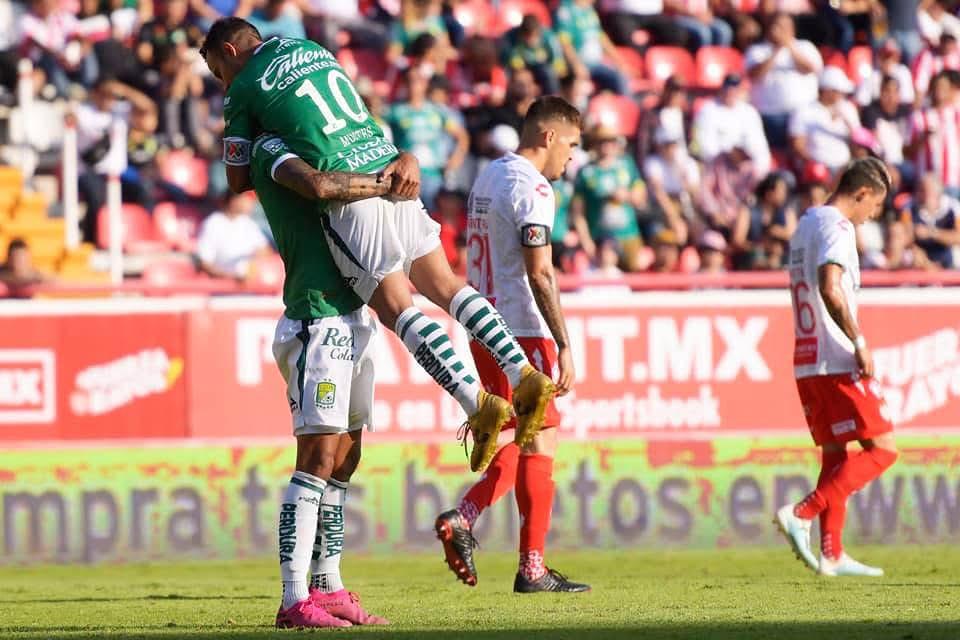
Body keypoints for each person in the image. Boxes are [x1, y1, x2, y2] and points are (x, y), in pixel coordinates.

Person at [200, 19, 558, 475]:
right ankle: (523, 373)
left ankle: (475, 402)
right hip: (390, 170)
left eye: (217, 70)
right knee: (447, 283)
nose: (220, 80)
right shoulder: (313, 48)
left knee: (394, 306)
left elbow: (236, 178)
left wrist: (260, 136)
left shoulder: (244, 85)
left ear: (230, 50)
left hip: (352, 193)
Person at [435, 96, 590, 594]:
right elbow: (540, 272)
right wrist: (563, 344)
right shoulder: (533, 187)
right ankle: (526, 563)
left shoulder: (489, 175)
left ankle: (480, 528)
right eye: (571, 144)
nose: (572, 156)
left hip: (483, 326)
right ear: (548, 136)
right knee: (540, 440)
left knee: (525, 438)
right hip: (520, 330)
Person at [247, 132, 394, 629]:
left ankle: (327, 584)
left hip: (355, 316)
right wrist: (386, 182)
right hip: (316, 318)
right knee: (316, 458)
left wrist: (406, 163)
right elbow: (318, 186)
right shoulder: (272, 148)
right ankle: (293, 598)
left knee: (347, 457)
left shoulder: (340, 145)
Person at [776, 157, 898, 577]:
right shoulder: (838, 228)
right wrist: (859, 341)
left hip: (808, 358)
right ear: (861, 194)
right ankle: (802, 512)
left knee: (835, 453)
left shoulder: (805, 224)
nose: (873, 217)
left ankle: (832, 551)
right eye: (875, 206)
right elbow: (831, 285)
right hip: (836, 355)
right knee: (883, 450)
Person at [387, 66, 469, 211]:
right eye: (409, 81)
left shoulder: (436, 111)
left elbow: (462, 136)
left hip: (434, 176)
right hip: (406, 176)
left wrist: (454, 161)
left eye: (417, 81)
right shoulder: (394, 112)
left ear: (425, 84)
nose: (413, 85)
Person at [570, 123, 647, 270]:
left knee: (636, 271)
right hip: (601, 240)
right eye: (601, 141)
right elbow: (577, 213)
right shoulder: (585, 172)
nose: (606, 146)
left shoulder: (627, 165)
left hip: (628, 236)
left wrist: (627, 196)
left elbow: (641, 197)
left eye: (610, 141)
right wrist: (586, 242)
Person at [745, 11, 823, 149]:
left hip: (802, 114)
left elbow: (808, 68)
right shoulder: (757, 50)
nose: (779, 30)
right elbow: (755, 75)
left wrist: (789, 45)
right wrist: (776, 50)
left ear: (792, 28)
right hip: (770, 115)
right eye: (776, 26)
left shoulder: (805, 46)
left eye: (783, 26)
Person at [692, 74, 771, 178]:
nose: (730, 92)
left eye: (734, 88)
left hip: (746, 168)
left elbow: (759, 146)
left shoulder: (750, 112)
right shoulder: (707, 110)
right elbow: (706, 147)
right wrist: (728, 159)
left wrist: (749, 164)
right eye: (727, 88)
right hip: (718, 168)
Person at [788, 66, 861, 174]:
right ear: (827, 91)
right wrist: (816, 166)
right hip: (816, 171)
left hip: (845, 168)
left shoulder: (848, 108)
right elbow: (797, 146)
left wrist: (847, 122)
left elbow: (859, 142)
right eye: (838, 91)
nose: (842, 95)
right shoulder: (804, 111)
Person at [905, 71, 960, 197]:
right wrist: (922, 139)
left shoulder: (957, 116)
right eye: (937, 87)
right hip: (926, 186)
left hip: (953, 183)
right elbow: (906, 152)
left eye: (944, 87)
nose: (939, 91)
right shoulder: (918, 117)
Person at [195, 191, 271, 280]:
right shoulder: (213, 223)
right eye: (245, 198)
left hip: (249, 287)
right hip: (220, 289)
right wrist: (232, 278)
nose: (249, 203)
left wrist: (255, 262)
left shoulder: (247, 223)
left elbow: (265, 250)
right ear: (233, 200)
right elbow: (204, 263)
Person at [903, 172, 960, 269]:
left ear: (938, 193)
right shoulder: (909, 206)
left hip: (946, 256)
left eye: (924, 190)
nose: (920, 194)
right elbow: (904, 234)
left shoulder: (953, 207)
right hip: (919, 259)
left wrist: (932, 233)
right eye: (919, 190)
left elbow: (958, 237)